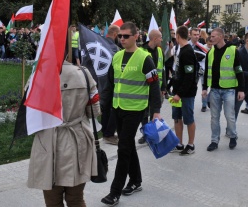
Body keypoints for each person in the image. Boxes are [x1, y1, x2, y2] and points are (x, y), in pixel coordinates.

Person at [101, 22, 161, 206]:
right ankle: (136, 180)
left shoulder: (145, 58)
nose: (122, 39)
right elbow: (110, 83)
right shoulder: (117, 56)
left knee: (123, 149)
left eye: (126, 36)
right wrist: (103, 106)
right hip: (118, 107)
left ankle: (115, 192)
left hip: (135, 110)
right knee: (128, 146)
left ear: (136, 36)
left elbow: (154, 85)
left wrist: (156, 111)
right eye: (120, 36)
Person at [27, 61, 99, 207]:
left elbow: (30, 112)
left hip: (48, 144)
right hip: (78, 140)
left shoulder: (38, 75)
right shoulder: (84, 73)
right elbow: (95, 112)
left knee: (53, 202)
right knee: (76, 199)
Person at [202, 28, 245, 151]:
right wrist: (205, 88)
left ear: (221, 37)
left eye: (214, 36)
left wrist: (241, 89)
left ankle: (232, 136)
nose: (211, 38)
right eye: (211, 36)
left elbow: (239, 70)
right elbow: (206, 72)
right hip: (214, 90)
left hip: (229, 90)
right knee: (214, 117)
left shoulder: (232, 50)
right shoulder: (210, 52)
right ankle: (214, 141)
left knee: (229, 115)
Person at [170, 26, 198, 155]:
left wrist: (179, 94)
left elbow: (189, 76)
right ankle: (179, 143)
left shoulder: (187, 52)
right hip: (177, 92)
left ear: (178, 36)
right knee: (177, 118)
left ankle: (191, 145)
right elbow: (177, 72)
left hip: (185, 94)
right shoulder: (180, 50)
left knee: (189, 119)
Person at [138, 29, 166, 144]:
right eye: (160, 37)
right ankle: (145, 134)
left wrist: (163, 87)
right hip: (144, 87)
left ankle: (152, 135)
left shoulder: (160, 51)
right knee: (144, 112)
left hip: (156, 87)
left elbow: (162, 70)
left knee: (155, 111)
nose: (162, 40)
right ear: (154, 38)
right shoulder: (141, 51)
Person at [100, 24, 120, 145]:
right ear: (115, 35)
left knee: (106, 107)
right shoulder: (114, 48)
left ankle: (106, 132)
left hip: (100, 81)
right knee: (114, 108)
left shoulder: (101, 43)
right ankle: (109, 133)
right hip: (111, 82)